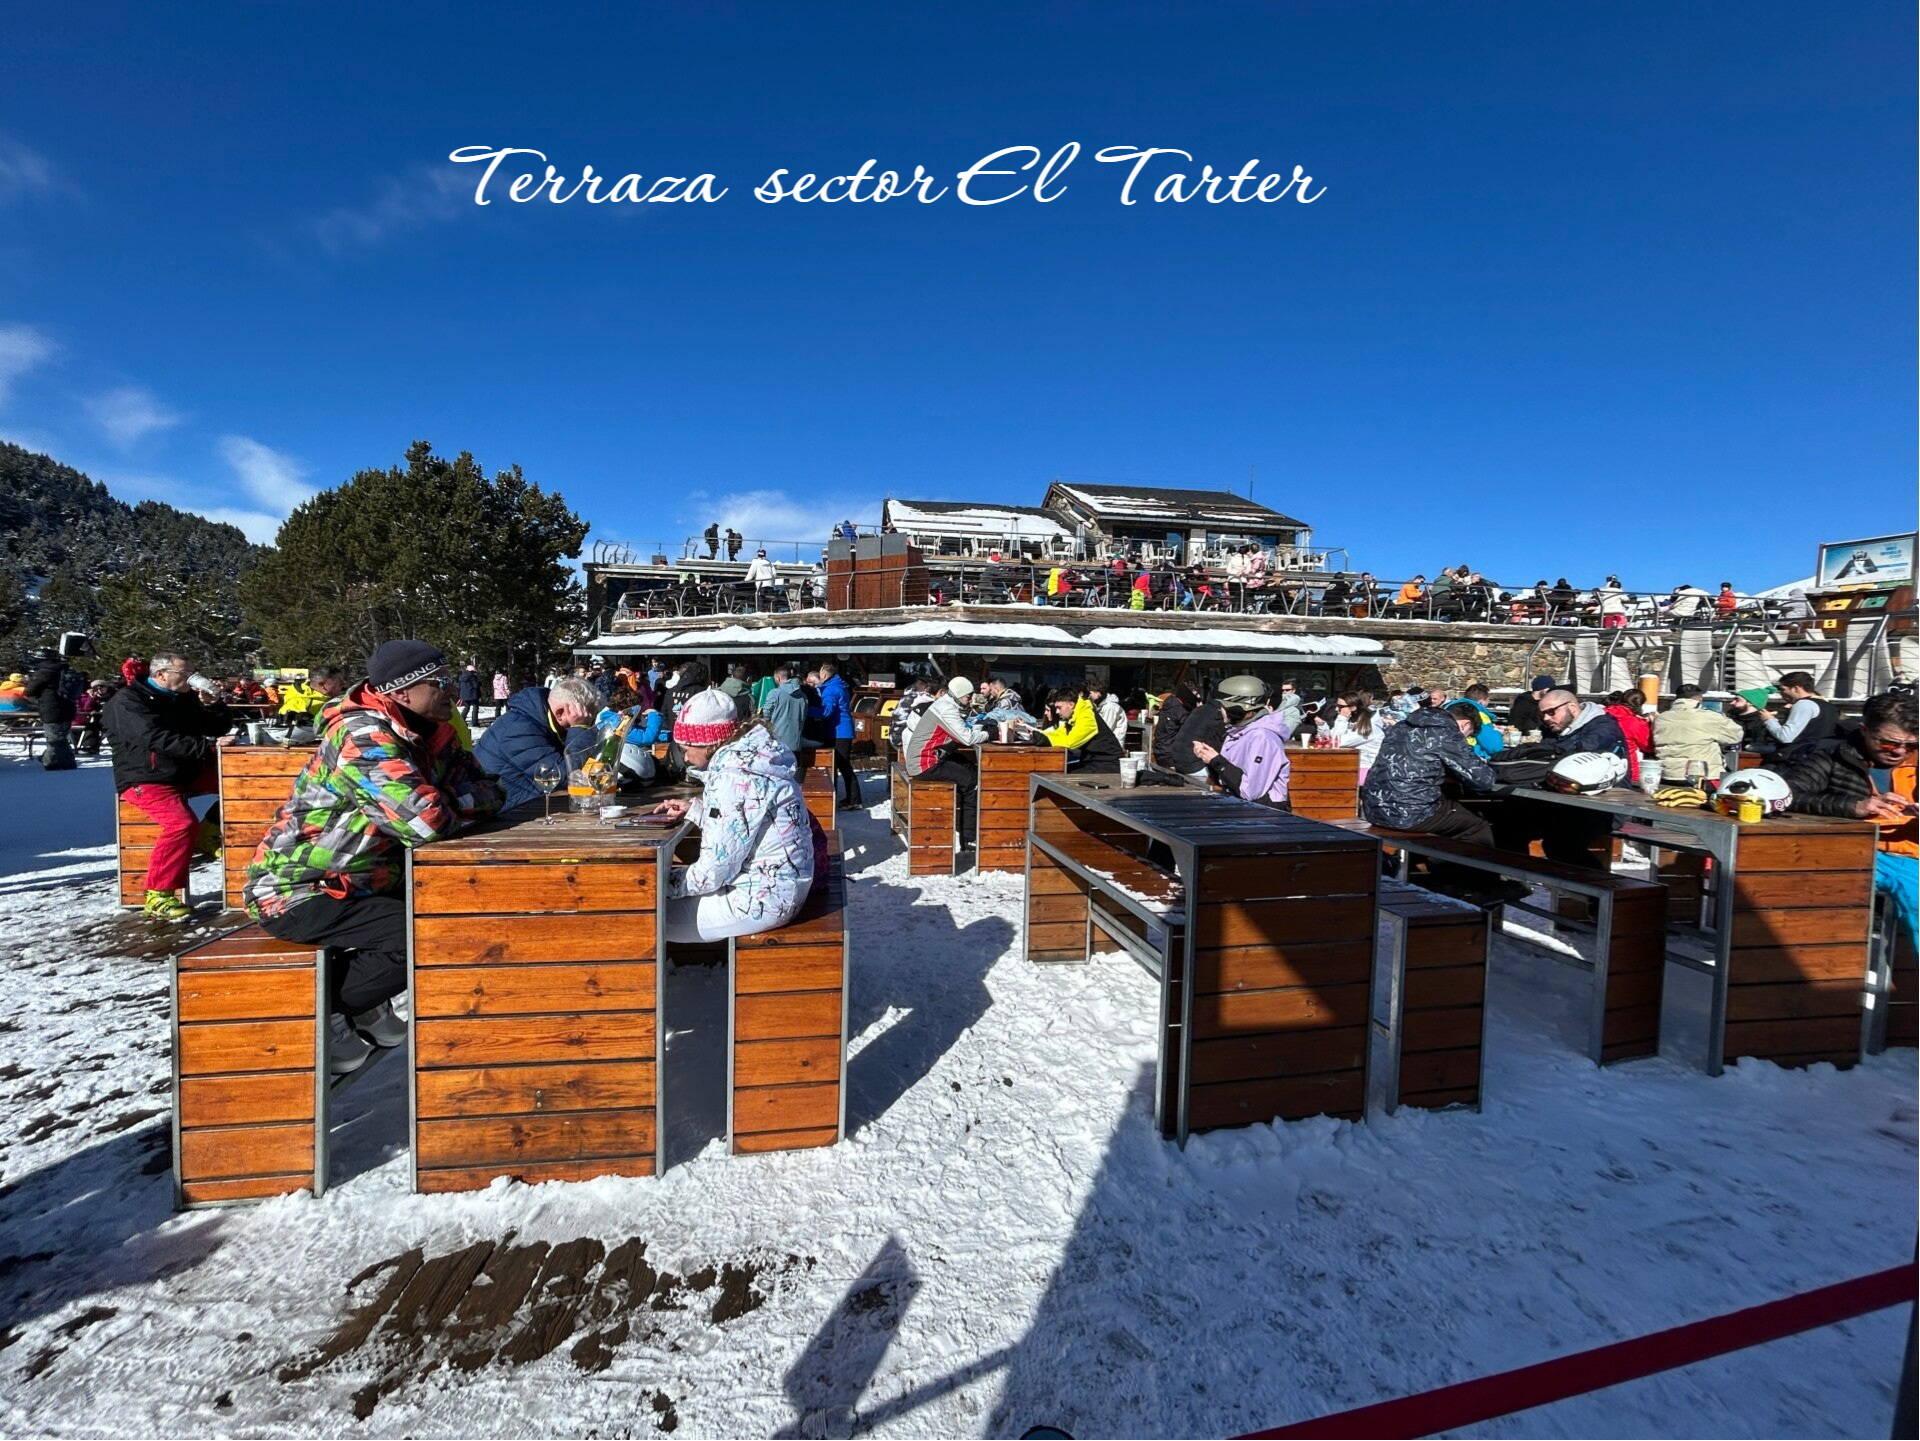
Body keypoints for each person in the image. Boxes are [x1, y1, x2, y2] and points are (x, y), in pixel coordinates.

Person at [245, 640, 501, 1070]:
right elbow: (424, 824)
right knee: (422, 937)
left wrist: (443, 800)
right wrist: (447, 802)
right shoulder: (363, 736)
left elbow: (492, 788)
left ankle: (367, 1002)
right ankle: (328, 1014)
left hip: (370, 880)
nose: (452, 691)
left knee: (463, 916)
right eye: (438, 682)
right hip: (301, 888)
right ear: (401, 692)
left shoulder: (430, 731)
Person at [648, 692, 814, 942]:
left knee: (643, 917)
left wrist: (654, 884)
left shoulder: (734, 778)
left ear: (706, 742)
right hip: (783, 885)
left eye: (686, 748)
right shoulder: (752, 760)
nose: (685, 757)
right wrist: (696, 812)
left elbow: (712, 872)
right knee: (644, 912)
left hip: (763, 899)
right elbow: (740, 829)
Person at [102, 652, 234, 920]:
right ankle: (158, 894)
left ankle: (207, 831)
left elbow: (219, 725)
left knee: (242, 784)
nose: (191, 679)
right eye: (184, 674)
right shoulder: (128, 701)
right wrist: (206, 748)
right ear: (160, 675)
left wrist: (212, 705)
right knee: (181, 824)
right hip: (146, 775)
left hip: (186, 769)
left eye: (191, 673)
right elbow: (153, 737)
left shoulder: (183, 697)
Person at [1784, 692, 1918, 953]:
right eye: (1889, 743)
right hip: (1855, 851)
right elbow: (1787, 794)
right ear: (1865, 730)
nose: (1900, 752)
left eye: (1911, 746)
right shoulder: (1833, 757)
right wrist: (1854, 806)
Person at [1361, 700, 1515, 900]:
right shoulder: (1446, 732)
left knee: (1448, 817)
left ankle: (1446, 880)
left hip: (1375, 807)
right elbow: (1483, 781)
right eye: (1468, 737)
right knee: (1476, 827)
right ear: (1465, 725)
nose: (1466, 741)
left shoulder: (1402, 726)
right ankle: (1483, 889)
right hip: (1408, 810)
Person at [1489, 688, 1626, 869]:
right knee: (1507, 824)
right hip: (1564, 800)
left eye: (1551, 712)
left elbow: (1573, 758)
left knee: (1561, 843)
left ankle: (1604, 891)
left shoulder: (1603, 729)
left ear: (1572, 707)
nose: (1546, 718)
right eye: (1542, 714)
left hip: (1602, 806)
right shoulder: (1555, 729)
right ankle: (1514, 882)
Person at [472, 675, 601, 809]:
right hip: (506, 815)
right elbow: (570, 777)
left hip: (532, 805)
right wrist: (579, 728)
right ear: (560, 713)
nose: (591, 727)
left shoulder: (537, 720)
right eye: (588, 722)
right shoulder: (519, 730)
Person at [902, 676, 992, 848]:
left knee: (969, 767)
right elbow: (966, 738)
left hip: (927, 758)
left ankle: (967, 826)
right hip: (924, 763)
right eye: (968, 696)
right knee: (972, 782)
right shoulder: (947, 709)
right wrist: (990, 734)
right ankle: (969, 838)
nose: (970, 700)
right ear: (959, 695)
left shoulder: (944, 704)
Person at [1189, 677, 1292, 807]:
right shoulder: (1238, 732)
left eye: (1223, 706)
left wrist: (1216, 760)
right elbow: (1227, 780)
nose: (1220, 710)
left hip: (1266, 815)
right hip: (1243, 809)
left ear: (1237, 709)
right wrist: (1209, 759)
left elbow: (1250, 791)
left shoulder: (1262, 737)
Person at [1726, 671, 1838, 760]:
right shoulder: (1827, 705)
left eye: (1783, 689)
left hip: (1800, 758)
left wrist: (1769, 720)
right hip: (1821, 755)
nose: (1781, 693)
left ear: (1796, 688)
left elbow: (1785, 737)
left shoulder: (1803, 704)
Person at [1653, 683, 1748, 783]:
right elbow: (1736, 735)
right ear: (1700, 699)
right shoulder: (1711, 717)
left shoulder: (1660, 718)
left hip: (1667, 774)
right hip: (1702, 775)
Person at [1022, 684, 1125, 774]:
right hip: (1093, 762)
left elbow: (1072, 742)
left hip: (1108, 764)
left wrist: (1047, 740)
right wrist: (1041, 735)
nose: (1057, 712)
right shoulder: (1074, 717)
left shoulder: (1087, 716)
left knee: (1061, 776)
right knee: (1058, 772)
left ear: (1071, 704)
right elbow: (1060, 733)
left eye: (1059, 707)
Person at [811, 660, 863, 807]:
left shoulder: (831, 689)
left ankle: (854, 800)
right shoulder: (837, 685)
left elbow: (826, 711)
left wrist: (806, 710)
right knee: (840, 765)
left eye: (820, 674)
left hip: (838, 732)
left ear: (825, 674)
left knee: (842, 765)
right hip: (841, 730)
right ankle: (850, 798)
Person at [22, 646, 79, 770]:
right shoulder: (65, 669)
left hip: (51, 709)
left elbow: (29, 691)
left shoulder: (44, 672)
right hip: (68, 708)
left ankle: (50, 762)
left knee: (54, 738)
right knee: (61, 737)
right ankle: (66, 762)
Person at [1329, 692, 1384, 781]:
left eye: (1340, 706)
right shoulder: (1352, 721)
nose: (1336, 709)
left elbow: (1336, 742)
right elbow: (1330, 737)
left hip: (1365, 770)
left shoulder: (1368, 727)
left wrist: (1342, 719)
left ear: (1353, 707)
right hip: (1349, 765)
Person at [1604, 690, 1652, 786]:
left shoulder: (1602, 714)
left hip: (1602, 765)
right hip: (1626, 766)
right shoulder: (1635, 722)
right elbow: (1647, 746)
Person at [761, 664, 808, 754]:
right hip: (795, 740)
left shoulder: (775, 693)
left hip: (777, 740)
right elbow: (803, 717)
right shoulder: (803, 696)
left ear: (778, 678)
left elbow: (766, 714)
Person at [1152, 683, 1199, 771]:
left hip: (1160, 749)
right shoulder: (1180, 711)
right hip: (1169, 754)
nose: (1198, 698)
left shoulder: (1170, 703)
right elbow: (1193, 731)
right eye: (1195, 695)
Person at [888, 675, 937, 757]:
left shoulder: (907, 696)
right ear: (926, 688)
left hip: (894, 736)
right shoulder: (920, 699)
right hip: (902, 739)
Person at [1461, 684, 1506, 759]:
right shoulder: (1479, 715)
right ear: (1481, 701)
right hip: (1472, 757)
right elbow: (1493, 747)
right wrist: (1497, 732)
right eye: (1488, 700)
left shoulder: (1452, 709)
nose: (1488, 702)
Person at [72, 678, 112, 756]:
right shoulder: (91, 697)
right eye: (96, 687)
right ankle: (90, 746)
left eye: (102, 687)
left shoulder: (112, 696)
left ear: (106, 688)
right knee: (93, 726)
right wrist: (92, 698)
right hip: (98, 719)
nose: (99, 689)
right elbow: (87, 708)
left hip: (113, 719)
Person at [1089, 678, 1128, 743]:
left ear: (1098, 694)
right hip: (1105, 742)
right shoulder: (1100, 705)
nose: (1088, 696)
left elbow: (1106, 728)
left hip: (1112, 744)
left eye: (1090, 693)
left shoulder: (1110, 707)